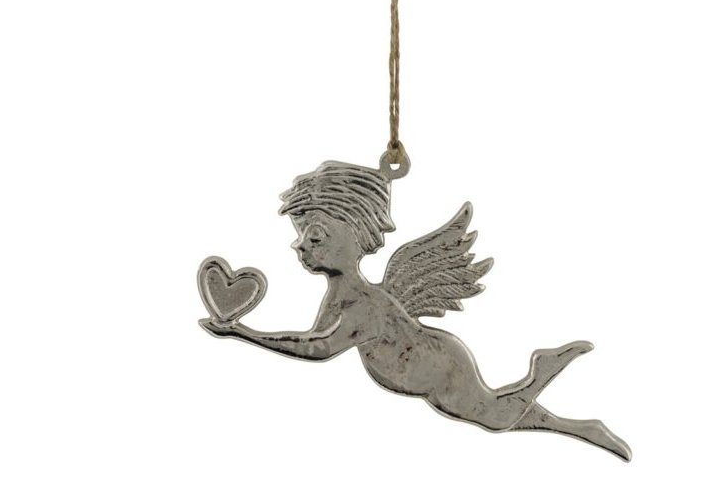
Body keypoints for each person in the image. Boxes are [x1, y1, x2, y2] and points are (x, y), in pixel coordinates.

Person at [200, 161, 631, 460]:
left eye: (315, 236)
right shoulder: (339, 296)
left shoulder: (363, 306)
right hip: (428, 366)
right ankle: (580, 426)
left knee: (494, 417)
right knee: (495, 414)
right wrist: (243, 331)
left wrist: (244, 333)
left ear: (354, 235)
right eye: (301, 237)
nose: (300, 246)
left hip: (437, 368)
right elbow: (315, 339)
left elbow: (319, 348)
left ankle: (541, 374)